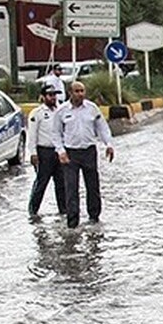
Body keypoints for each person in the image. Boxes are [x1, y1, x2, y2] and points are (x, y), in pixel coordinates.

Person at [53, 81, 116, 229]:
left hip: (89, 151)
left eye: (82, 91)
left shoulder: (92, 108)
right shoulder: (62, 111)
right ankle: (72, 222)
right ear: (70, 93)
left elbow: (102, 128)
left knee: (93, 186)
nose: (80, 94)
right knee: (71, 187)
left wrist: (108, 144)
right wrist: (60, 151)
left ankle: (94, 218)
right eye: (77, 91)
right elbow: (55, 133)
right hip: (70, 153)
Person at [26, 84, 66, 218]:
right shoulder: (37, 113)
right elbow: (32, 135)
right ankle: (33, 210)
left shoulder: (61, 110)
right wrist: (33, 153)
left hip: (59, 151)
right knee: (41, 182)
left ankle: (63, 210)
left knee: (61, 182)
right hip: (44, 152)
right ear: (43, 97)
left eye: (54, 95)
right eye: (50, 95)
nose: (53, 97)